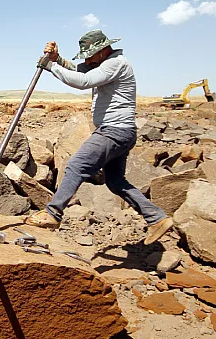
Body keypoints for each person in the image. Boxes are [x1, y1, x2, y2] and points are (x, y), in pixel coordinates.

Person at [25, 30, 173, 245]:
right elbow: (79, 70)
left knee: (76, 165)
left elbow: (83, 81)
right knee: (115, 181)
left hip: (114, 130)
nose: (87, 59)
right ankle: (156, 218)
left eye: (90, 54)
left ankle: (52, 213)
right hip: (122, 131)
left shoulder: (116, 64)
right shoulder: (105, 64)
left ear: (103, 50)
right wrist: (57, 59)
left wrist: (50, 66)